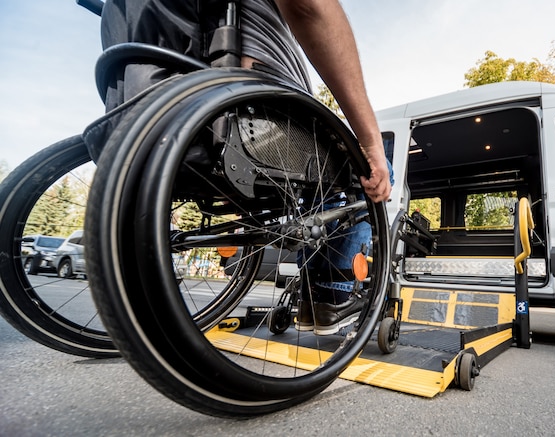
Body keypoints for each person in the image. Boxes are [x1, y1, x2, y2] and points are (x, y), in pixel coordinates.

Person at [98, 0, 391, 335]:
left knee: (323, 175)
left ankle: (313, 296)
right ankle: (330, 297)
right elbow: (310, 7)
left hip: (160, 109)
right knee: (371, 174)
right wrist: (371, 143)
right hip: (255, 112)